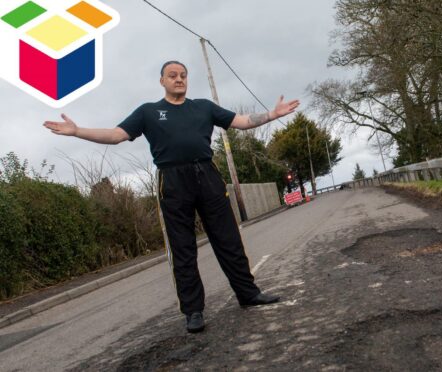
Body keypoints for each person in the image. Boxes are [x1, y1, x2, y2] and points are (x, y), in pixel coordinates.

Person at [44, 60, 300, 333]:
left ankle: (248, 294)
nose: (179, 79)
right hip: (173, 181)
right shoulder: (149, 112)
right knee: (183, 248)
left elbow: (242, 121)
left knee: (229, 240)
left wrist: (272, 115)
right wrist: (77, 131)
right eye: (172, 75)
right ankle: (193, 311)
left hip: (208, 176)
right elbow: (116, 135)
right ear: (162, 81)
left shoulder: (203, 107)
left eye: (183, 75)